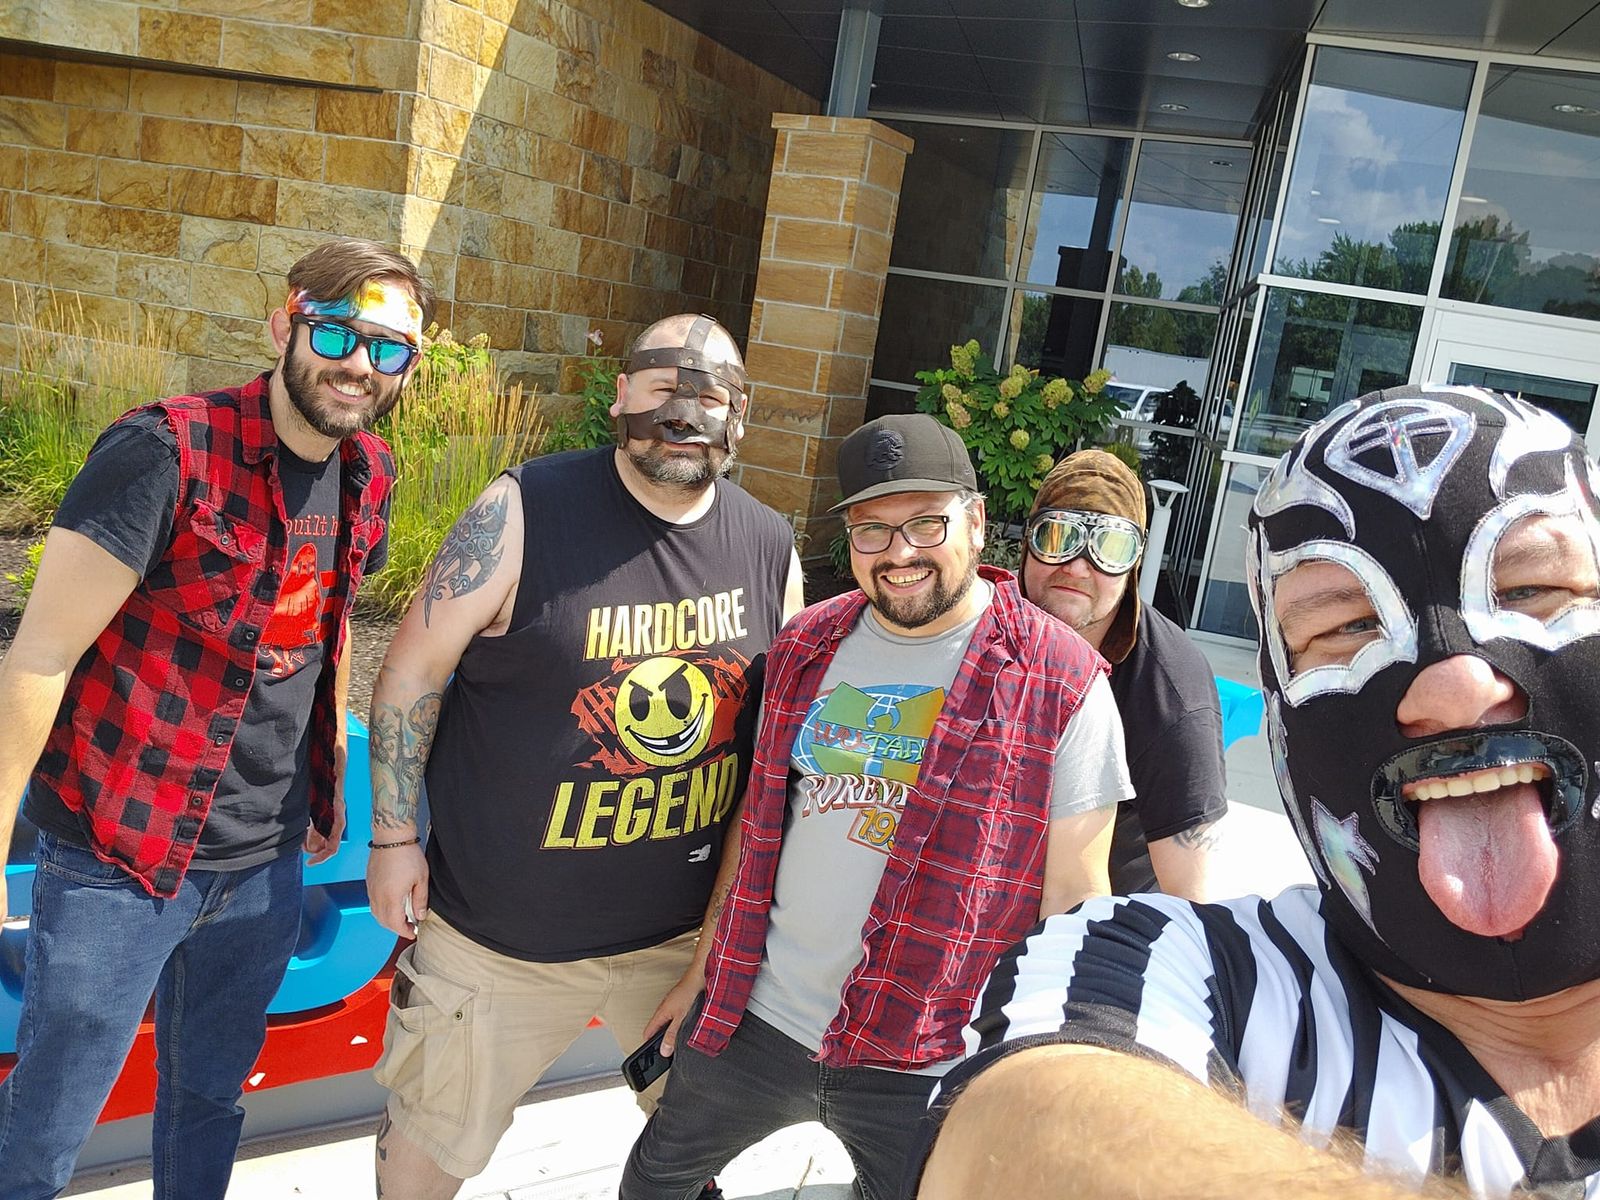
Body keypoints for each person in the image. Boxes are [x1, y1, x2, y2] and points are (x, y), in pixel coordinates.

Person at [913, 385, 1600, 1199]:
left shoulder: (1170, 685)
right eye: (1346, 628)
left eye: (1529, 591)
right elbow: (1022, 1129)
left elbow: (1182, 881)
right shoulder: (1192, 979)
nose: (1454, 689)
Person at [0, 239, 428, 1199]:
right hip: (121, 855)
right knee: (46, 1128)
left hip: (265, 859)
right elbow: (39, 655)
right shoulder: (166, 450)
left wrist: (327, 786)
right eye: (336, 333)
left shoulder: (371, 470)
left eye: (388, 348)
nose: (358, 364)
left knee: (209, 1100)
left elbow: (328, 628)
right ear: (285, 326)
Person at [620, 413, 1132, 1200]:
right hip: (761, 1019)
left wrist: (1049, 1067)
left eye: (926, 523)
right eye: (871, 530)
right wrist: (702, 973)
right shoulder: (806, 645)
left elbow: (1075, 900)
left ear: (977, 522)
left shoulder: (1062, 681)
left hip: (929, 1052)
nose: (899, 553)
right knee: (654, 1186)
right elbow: (758, 827)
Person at [365, 313, 803, 1200]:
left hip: (681, 940)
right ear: (621, 394)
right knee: (426, 1146)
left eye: (711, 395)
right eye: (663, 387)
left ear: (741, 415)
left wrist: (723, 942)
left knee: (695, 1159)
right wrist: (393, 836)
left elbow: (775, 757)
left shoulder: (770, 547)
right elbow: (412, 670)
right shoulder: (525, 509)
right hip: (499, 938)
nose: (684, 414)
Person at [1022, 450, 1228, 898]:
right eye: (1057, 536)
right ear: (1028, 544)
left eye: (1109, 547)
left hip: (1105, 916)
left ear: (1134, 562)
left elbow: (1190, 897)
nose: (1077, 566)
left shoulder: (1172, 691)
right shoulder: (984, 635)